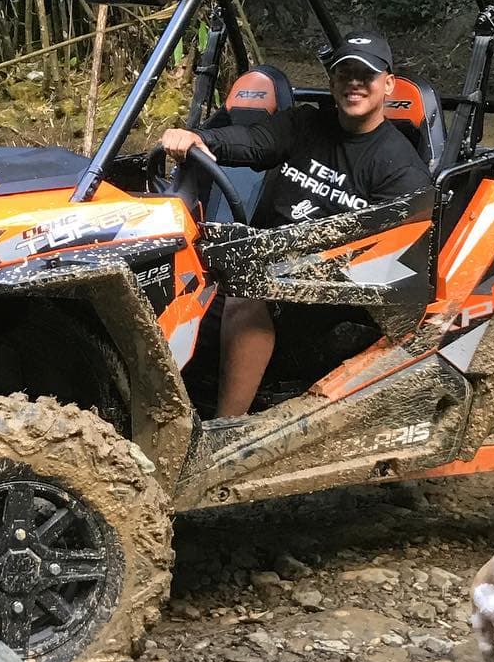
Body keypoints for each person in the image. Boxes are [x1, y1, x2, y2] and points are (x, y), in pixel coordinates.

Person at [160, 31, 433, 418]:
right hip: (260, 261)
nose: (354, 84)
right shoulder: (304, 124)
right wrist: (199, 138)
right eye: (344, 74)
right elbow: (252, 141)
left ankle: (226, 431)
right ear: (333, 82)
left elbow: (394, 256)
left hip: (327, 288)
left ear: (387, 84)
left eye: (365, 75)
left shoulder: (400, 168)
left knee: (244, 296)